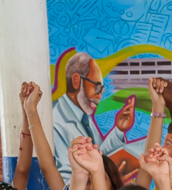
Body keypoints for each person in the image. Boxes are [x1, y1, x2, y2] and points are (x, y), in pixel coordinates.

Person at [52, 51, 136, 181]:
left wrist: (119, 130)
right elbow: (66, 182)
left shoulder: (83, 114)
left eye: (102, 90)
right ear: (76, 81)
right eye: (97, 87)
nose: (100, 95)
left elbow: (100, 155)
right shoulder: (55, 121)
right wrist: (110, 182)